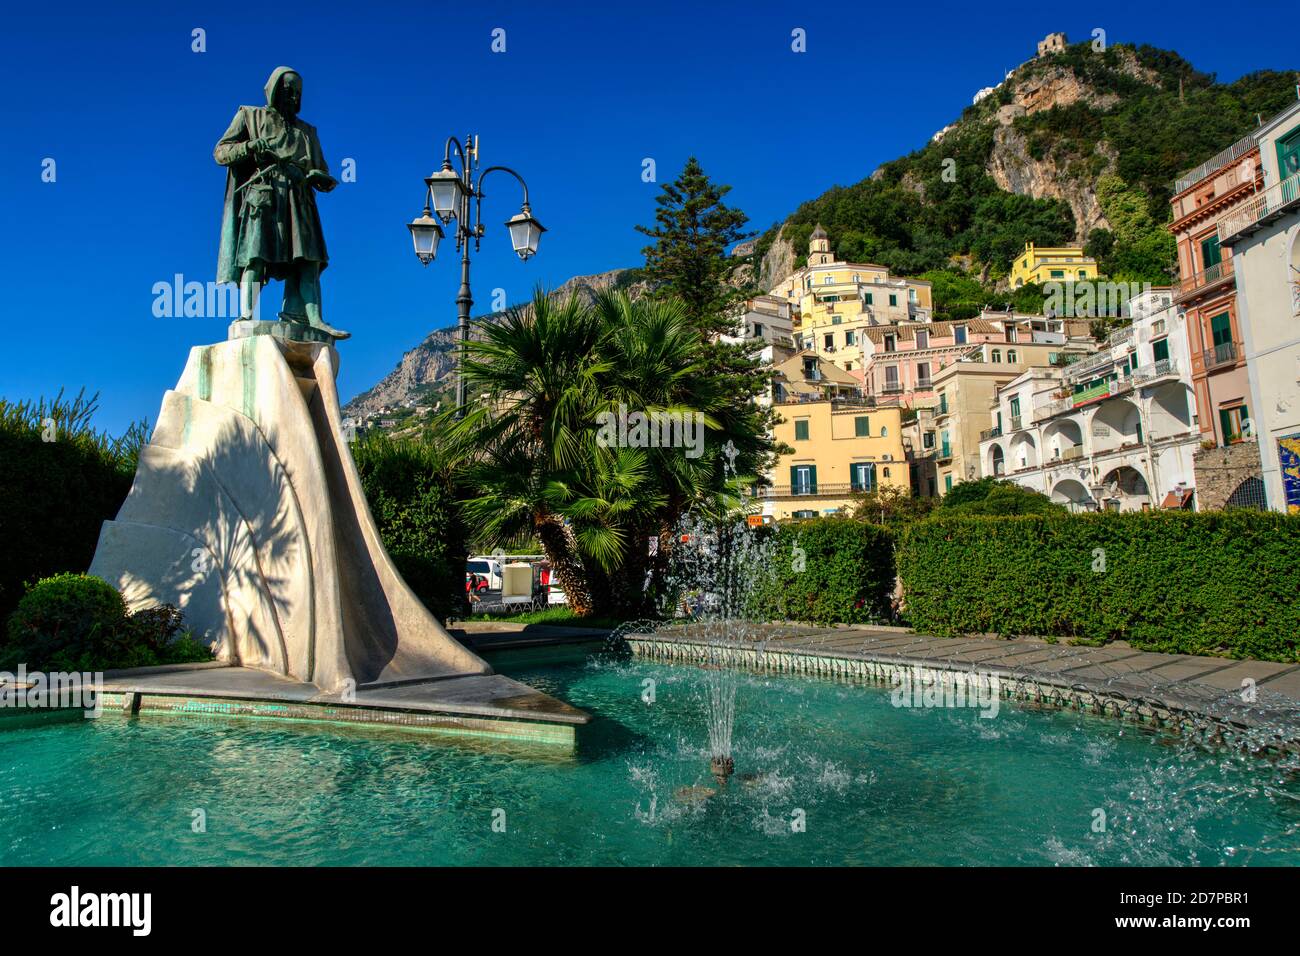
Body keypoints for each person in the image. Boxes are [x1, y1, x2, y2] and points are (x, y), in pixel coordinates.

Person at [215, 67, 348, 339]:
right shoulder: (250, 116)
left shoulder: (307, 132)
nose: (292, 95)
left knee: (309, 261)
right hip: (264, 196)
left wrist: (320, 178)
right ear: (274, 89)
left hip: (299, 200)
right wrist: (249, 148)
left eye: (297, 91)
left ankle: (313, 319)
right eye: (287, 88)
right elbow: (220, 152)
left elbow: (321, 170)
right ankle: (245, 317)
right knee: (256, 255)